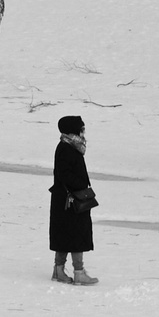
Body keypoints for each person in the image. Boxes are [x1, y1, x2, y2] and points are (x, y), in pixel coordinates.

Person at [49, 115, 97, 285]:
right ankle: (78, 272)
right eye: (81, 127)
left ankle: (59, 270)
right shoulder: (66, 147)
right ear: (73, 130)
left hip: (67, 199)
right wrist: (81, 185)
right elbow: (64, 174)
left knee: (65, 235)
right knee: (77, 235)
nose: (83, 131)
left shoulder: (70, 145)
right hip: (70, 200)